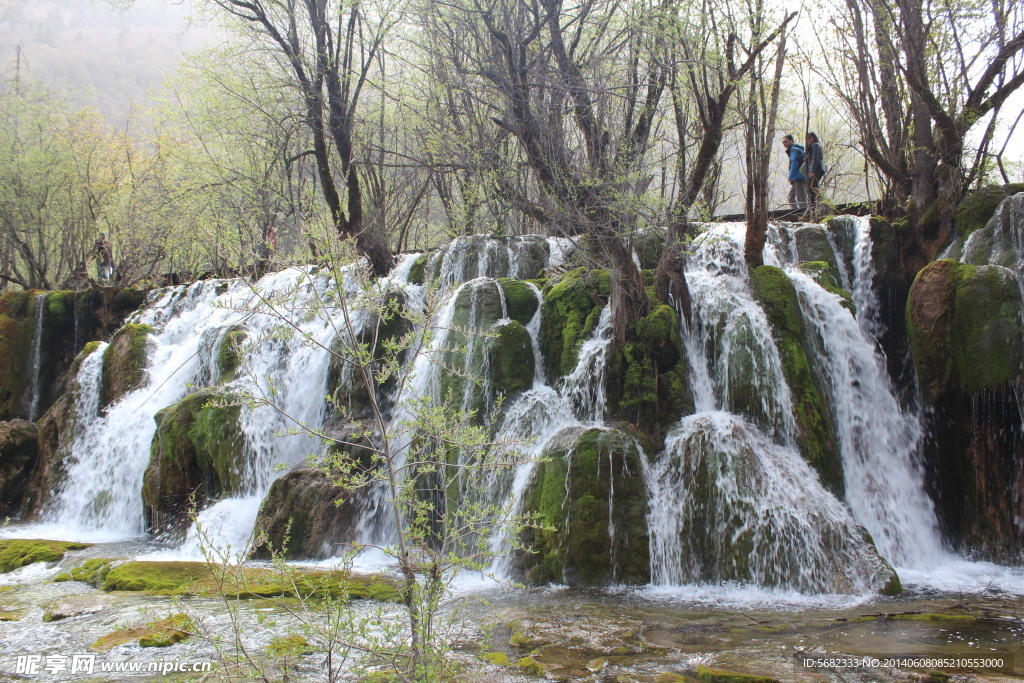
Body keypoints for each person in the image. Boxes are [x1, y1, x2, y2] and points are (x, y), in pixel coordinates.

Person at [782, 134, 807, 212]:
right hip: (797, 177)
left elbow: (794, 163)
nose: (784, 144)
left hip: (798, 176)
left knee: (801, 197)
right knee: (791, 197)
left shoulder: (794, 149)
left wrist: (790, 176)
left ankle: (803, 213)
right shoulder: (796, 149)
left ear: (791, 141)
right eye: (783, 142)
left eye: (785, 141)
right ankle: (796, 212)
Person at [804, 132, 825, 218]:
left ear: (813, 138)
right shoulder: (813, 146)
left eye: (809, 138)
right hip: (815, 170)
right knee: (810, 188)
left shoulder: (815, 145)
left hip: (816, 170)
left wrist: (812, 171)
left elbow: (815, 158)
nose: (808, 140)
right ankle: (813, 208)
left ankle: (820, 202)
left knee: (812, 188)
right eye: (806, 138)